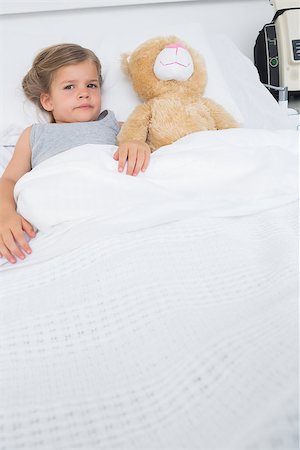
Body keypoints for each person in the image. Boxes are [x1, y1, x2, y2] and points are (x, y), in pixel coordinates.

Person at [0, 43, 151, 264]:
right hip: (60, 204)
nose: (84, 93)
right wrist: (5, 213)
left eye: (91, 85)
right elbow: (10, 179)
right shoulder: (35, 134)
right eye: (69, 87)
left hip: (111, 200)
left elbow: (155, 144)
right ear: (47, 101)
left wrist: (138, 143)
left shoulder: (114, 124)